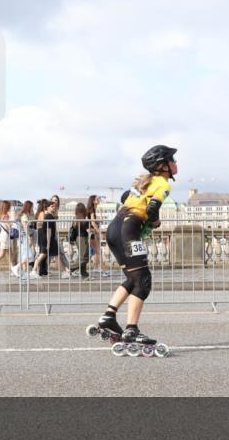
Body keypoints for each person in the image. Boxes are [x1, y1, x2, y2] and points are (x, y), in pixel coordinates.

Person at [94, 144, 178, 345]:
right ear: (163, 166)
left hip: (115, 228)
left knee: (133, 278)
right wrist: (155, 222)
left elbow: (126, 197)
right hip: (129, 230)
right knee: (143, 281)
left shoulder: (145, 181)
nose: (175, 163)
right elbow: (152, 209)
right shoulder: (163, 184)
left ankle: (108, 317)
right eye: (172, 160)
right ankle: (131, 330)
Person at [46, 195, 70, 278]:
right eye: (53, 200)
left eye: (56, 200)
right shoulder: (50, 210)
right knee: (54, 253)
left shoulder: (56, 210)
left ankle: (69, 268)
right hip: (51, 234)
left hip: (55, 233)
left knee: (59, 252)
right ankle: (67, 269)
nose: (55, 202)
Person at [12, 201, 35, 280]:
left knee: (25, 256)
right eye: (32, 207)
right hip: (24, 237)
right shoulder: (24, 215)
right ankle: (16, 267)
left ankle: (25, 274)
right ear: (29, 207)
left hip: (22, 237)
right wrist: (29, 237)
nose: (32, 208)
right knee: (28, 256)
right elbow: (25, 227)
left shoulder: (23, 215)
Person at [68, 202, 90, 279]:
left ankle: (84, 274)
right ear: (84, 211)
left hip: (77, 239)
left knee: (81, 256)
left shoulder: (75, 219)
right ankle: (70, 268)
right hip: (83, 238)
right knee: (84, 258)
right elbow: (88, 230)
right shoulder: (84, 220)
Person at [32, 198, 50, 278]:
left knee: (43, 252)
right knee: (43, 253)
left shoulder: (39, 213)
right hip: (42, 233)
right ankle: (34, 270)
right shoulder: (42, 213)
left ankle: (42, 271)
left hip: (40, 232)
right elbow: (43, 224)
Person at [87, 194, 104, 276]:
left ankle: (96, 267)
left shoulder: (93, 210)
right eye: (97, 198)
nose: (99, 199)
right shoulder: (92, 210)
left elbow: (94, 222)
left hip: (93, 233)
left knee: (95, 251)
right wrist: (100, 232)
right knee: (97, 251)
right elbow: (93, 223)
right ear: (93, 201)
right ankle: (98, 268)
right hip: (93, 233)